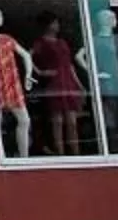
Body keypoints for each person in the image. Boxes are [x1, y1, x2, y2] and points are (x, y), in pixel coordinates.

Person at [29, 13, 87, 157]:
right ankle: (60, 154)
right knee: (57, 122)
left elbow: (70, 65)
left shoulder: (62, 42)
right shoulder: (41, 42)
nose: (57, 26)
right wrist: (40, 72)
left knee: (72, 122)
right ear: (47, 25)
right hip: (55, 83)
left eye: (57, 23)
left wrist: (79, 85)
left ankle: (76, 154)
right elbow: (27, 55)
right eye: (54, 23)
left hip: (68, 82)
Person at [0, 8, 31, 159]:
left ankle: (24, 157)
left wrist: (28, 75)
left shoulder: (6, 39)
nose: (1, 18)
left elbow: (25, 55)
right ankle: (0, 155)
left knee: (24, 120)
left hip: (11, 82)